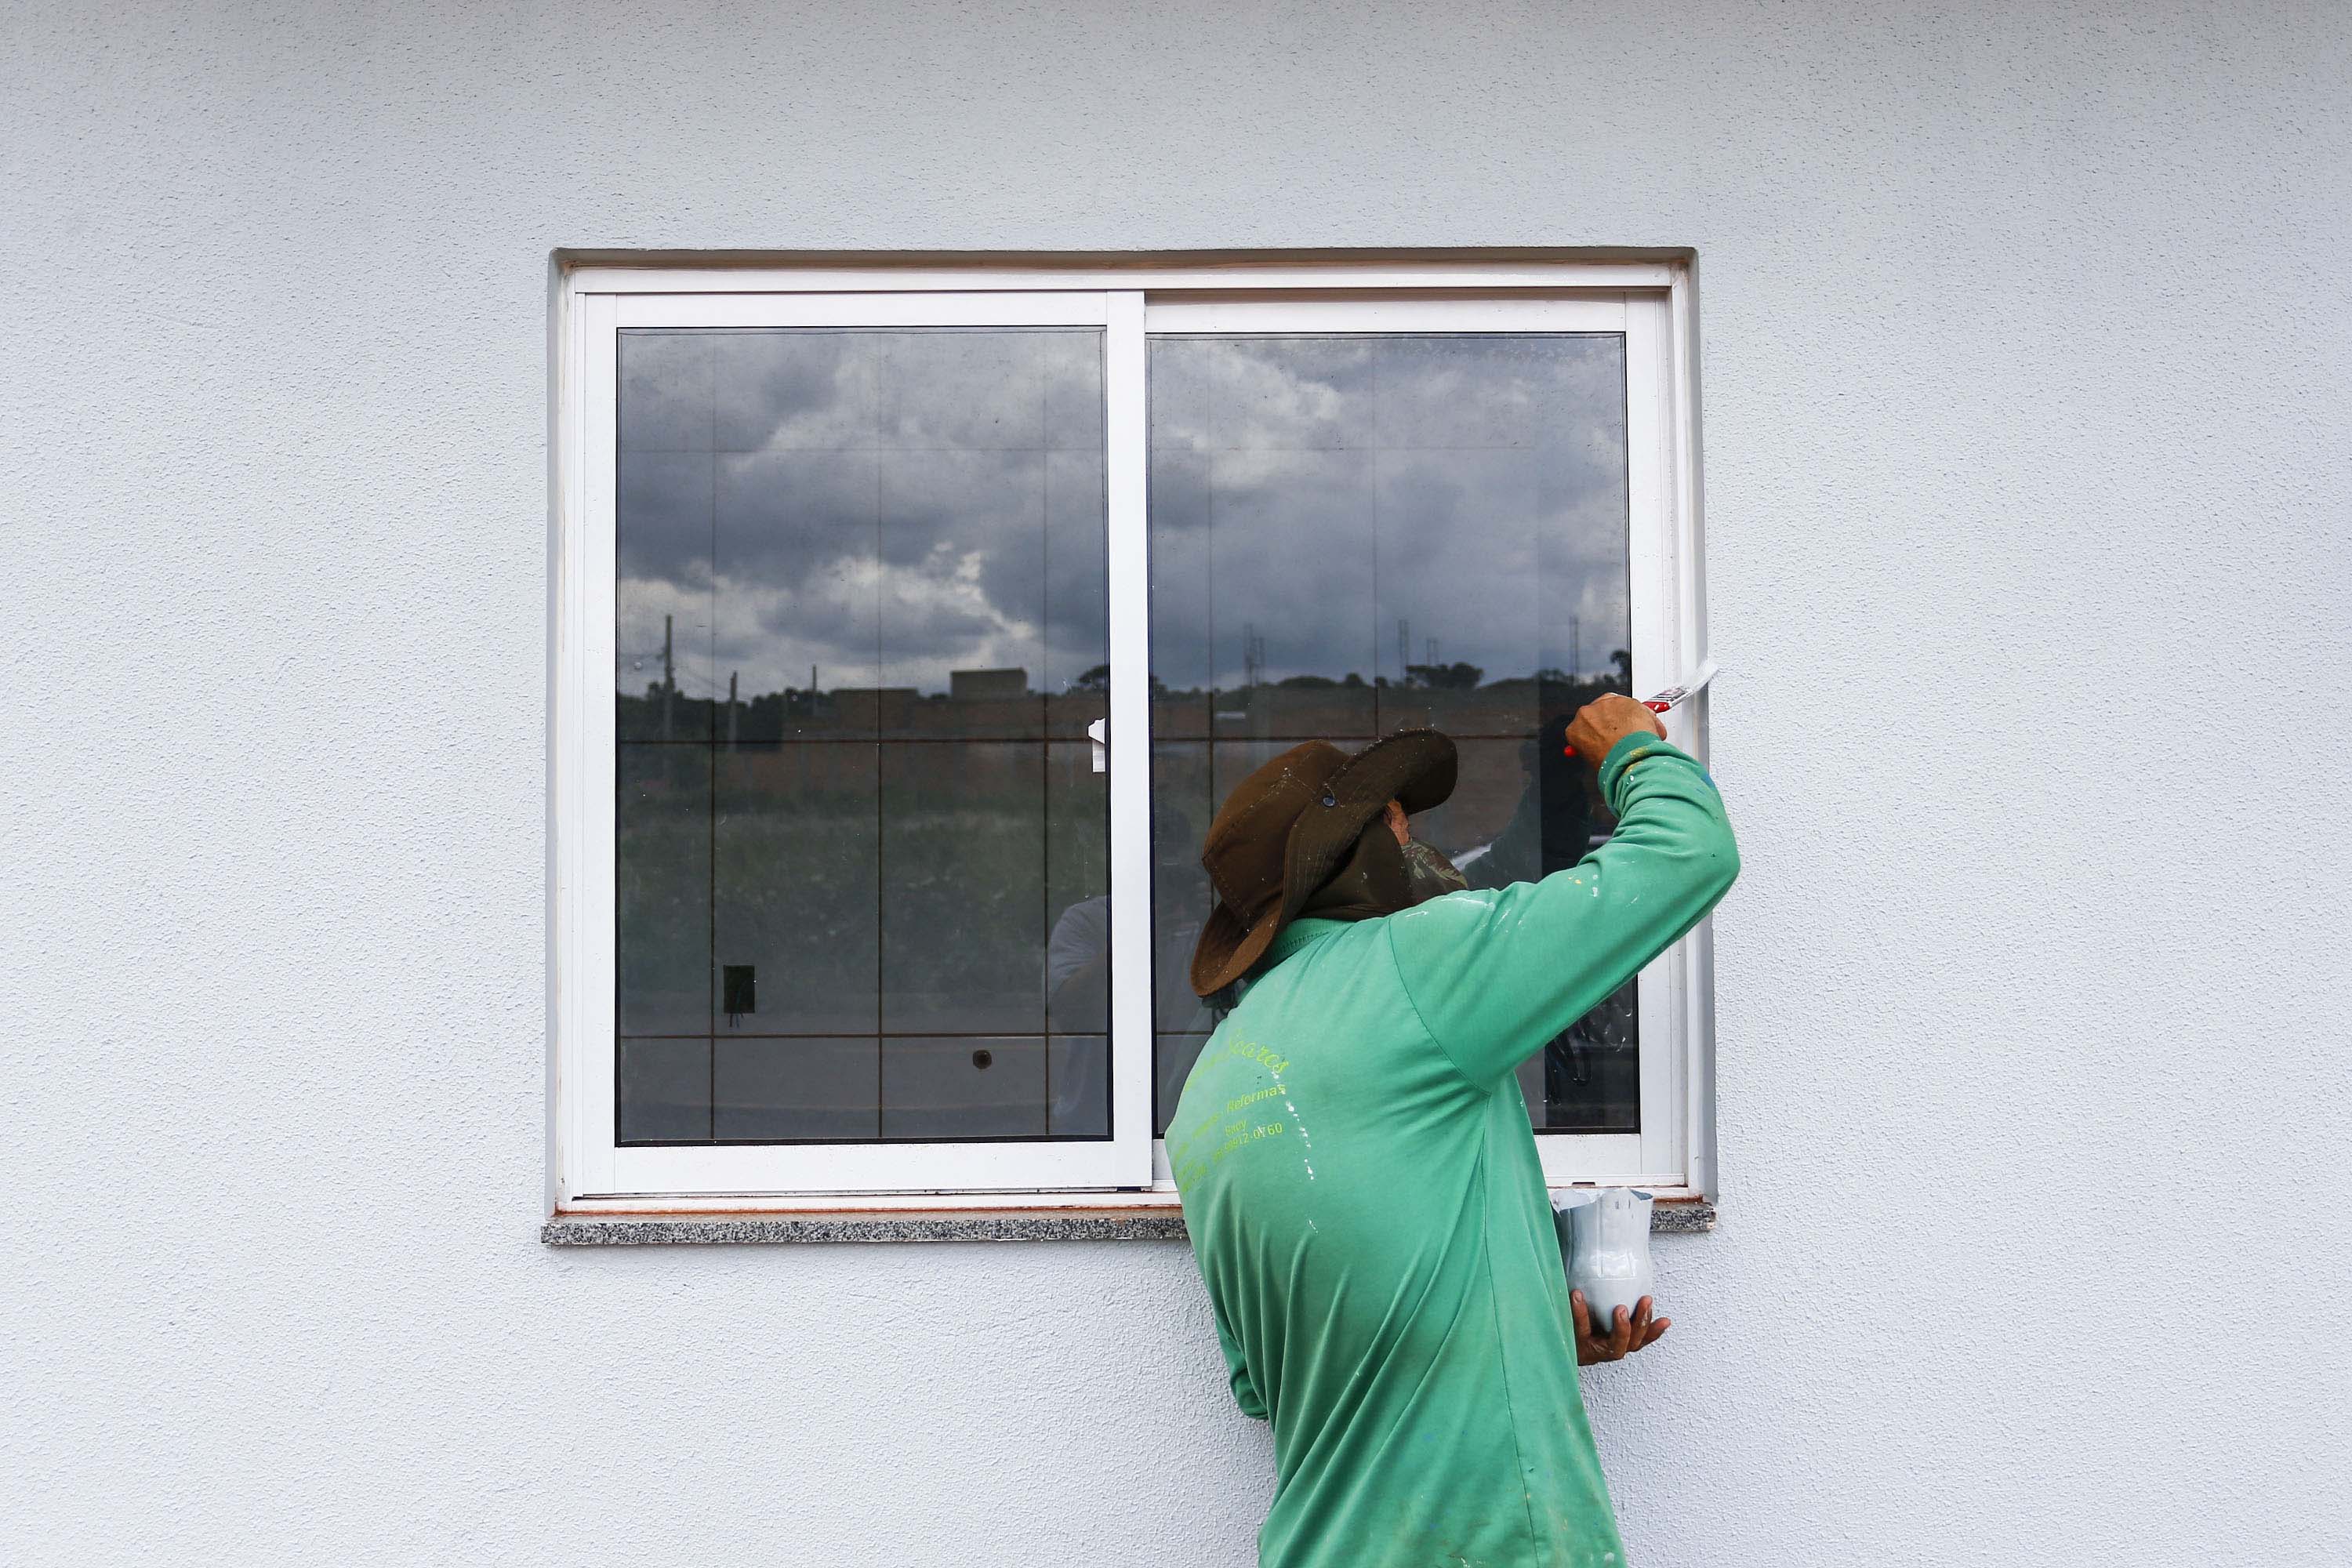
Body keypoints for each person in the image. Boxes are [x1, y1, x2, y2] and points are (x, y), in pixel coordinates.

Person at [1167, 694, 1740, 1568]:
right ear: (1355, 856)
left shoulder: (1205, 1100)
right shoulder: (1416, 964)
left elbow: (1275, 1380)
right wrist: (1632, 749)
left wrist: (1525, 1332)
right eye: (1401, 826)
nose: (1421, 846)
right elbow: (1689, 854)